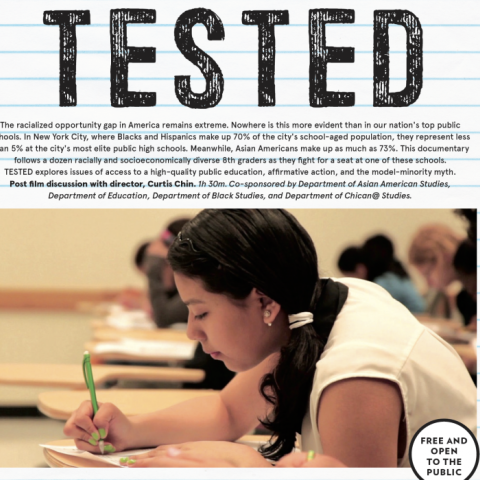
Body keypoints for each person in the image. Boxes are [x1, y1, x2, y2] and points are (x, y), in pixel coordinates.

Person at [64, 210, 476, 468]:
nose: (192, 330)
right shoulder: (308, 312)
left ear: (264, 302)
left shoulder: (356, 375)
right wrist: (129, 429)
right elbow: (227, 411)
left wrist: (251, 468)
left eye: (202, 312)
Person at [337, 236, 425, 313]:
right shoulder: (394, 275)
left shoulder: (385, 283)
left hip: (419, 319)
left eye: (349, 276)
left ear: (360, 269)